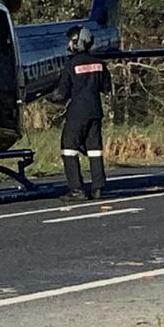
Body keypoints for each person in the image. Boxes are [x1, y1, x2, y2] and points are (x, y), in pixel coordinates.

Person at [48, 25, 111, 201]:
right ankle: (98, 188)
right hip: (96, 113)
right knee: (94, 150)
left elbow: (62, 93)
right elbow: (106, 88)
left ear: (79, 42)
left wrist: (50, 98)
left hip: (77, 113)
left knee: (68, 149)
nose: (69, 44)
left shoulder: (71, 64)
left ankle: (76, 189)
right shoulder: (100, 64)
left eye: (72, 41)